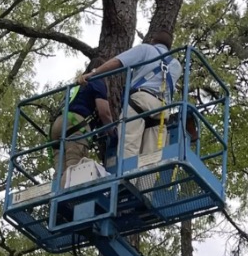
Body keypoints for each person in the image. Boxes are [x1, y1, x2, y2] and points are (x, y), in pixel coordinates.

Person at [75, 28, 181, 165]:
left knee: (129, 148)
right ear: (169, 46)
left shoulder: (146, 49)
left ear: (153, 40)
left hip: (140, 101)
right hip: (162, 109)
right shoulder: (176, 65)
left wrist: (93, 73)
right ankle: (146, 185)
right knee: (152, 157)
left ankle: (126, 181)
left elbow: (117, 62)